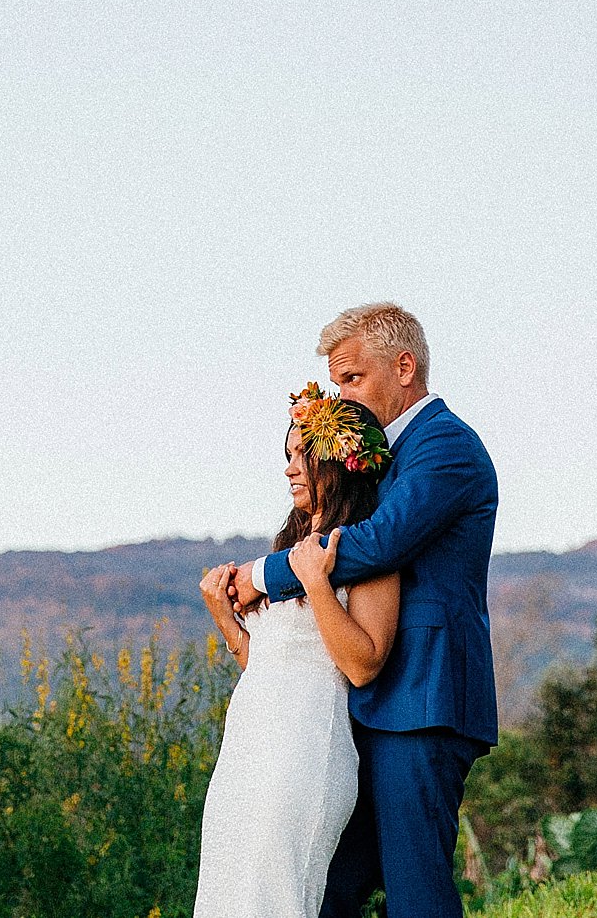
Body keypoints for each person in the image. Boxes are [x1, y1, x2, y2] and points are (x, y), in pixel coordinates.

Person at [223, 302, 499, 918]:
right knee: (329, 890)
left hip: (423, 699)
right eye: (336, 382)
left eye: (352, 379)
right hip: (364, 707)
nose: (342, 397)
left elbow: (380, 543)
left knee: (414, 892)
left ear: (404, 367)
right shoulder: (385, 458)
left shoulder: (446, 447)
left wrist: (263, 575)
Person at [194, 384, 400, 918]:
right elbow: (264, 662)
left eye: (302, 456)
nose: (290, 469)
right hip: (248, 743)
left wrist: (315, 584)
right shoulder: (287, 550)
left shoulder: (367, 548)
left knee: (278, 894)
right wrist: (225, 617)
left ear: (337, 461)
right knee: (227, 888)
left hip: (306, 746)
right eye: (287, 457)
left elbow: (362, 664)